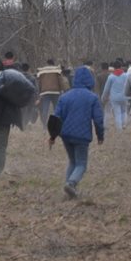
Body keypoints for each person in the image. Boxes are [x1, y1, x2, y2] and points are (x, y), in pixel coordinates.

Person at [49, 67, 104, 199]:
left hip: (66, 135)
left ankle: (68, 191)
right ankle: (71, 183)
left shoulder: (65, 96)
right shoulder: (93, 97)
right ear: (90, 80)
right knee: (81, 164)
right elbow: (98, 119)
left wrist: (52, 136)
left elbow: (56, 117)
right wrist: (100, 135)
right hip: (82, 135)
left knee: (72, 162)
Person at [36, 59, 67, 128]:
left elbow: (39, 83)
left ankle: (44, 125)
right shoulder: (57, 70)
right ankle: (57, 124)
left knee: (45, 109)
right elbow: (61, 81)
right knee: (56, 108)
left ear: (47, 63)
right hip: (55, 92)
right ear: (53, 63)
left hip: (45, 92)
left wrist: (39, 92)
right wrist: (64, 90)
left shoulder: (42, 71)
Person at [101, 60, 130, 131]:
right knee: (124, 111)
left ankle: (119, 129)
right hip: (124, 96)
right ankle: (124, 125)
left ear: (113, 67)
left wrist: (103, 97)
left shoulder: (111, 77)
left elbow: (106, 89)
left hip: (114, 98)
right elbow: (129, 86)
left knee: (117, 113)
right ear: (121, 67)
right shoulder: (126, 75)